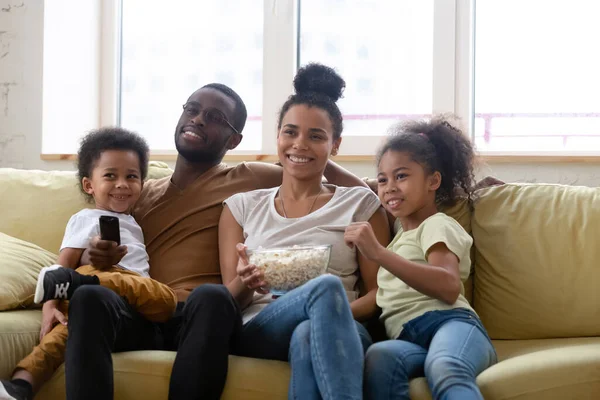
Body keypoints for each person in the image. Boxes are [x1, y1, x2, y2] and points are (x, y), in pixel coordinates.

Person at [57, 83, 367, 400]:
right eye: (192, 109)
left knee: (213, 297)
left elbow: (349, 187)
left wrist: (315, 144)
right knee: (90, 299)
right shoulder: (137, 192)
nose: (199, 119)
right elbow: (90, 244)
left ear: (234, 140)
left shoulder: (250, 177)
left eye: (215, 117)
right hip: (142, 311)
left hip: (202, 316)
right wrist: (88, 261)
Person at [185, 63, 389, 400]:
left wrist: (328, 312)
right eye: (290, 132)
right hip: (263, 327)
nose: (300, 145)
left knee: (310, 331)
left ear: (335, 145)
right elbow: (228, 300)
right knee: (323, 290)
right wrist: (245, 282)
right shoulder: (241, 207)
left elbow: (380, 294)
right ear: (278, 136)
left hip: (343, 326)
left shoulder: (360, 205)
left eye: (316, 136)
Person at [0, 128, 177, 400]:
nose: (122, 183)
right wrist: (49, 307)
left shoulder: (136, 222)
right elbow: (64, 266)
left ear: (142, 183)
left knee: (66, 335)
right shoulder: (85, 218)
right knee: (165, 299)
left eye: (132, 176)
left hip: (131, 301)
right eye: (110, 175)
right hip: (99, 288)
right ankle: (81, 285)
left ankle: (22, 385)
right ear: (88, 185)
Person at [344, 116, 497, 399]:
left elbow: (448, 286)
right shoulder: (398, 241)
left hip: (451, 324)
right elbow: (382, 299)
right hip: (407, 337)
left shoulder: (437, 225)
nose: (389, 187)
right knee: (379, 357)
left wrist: (377, 252)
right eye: (382, 180)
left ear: (433, 181)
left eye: (401, 176)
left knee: (446, 366)